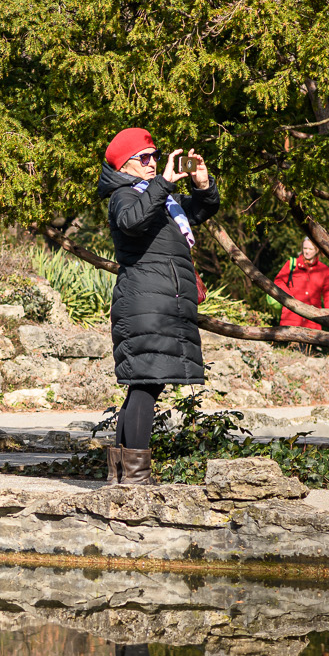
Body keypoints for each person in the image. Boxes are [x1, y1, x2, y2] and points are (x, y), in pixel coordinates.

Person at [97, 128, 221, 484]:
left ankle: (122, 474)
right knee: (146, 383)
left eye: (155, 156)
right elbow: (132, 221)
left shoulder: (161, 200)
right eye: (144, 158)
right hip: (145, 303)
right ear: (125, 165)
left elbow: (201, 209)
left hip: (160, 302)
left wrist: (202, 184)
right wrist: (163, 183)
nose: (152, 163)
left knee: (144, 384)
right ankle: (135, 478)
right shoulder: (124, 196)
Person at [273, 236, 329, 329]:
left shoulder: (324, 270)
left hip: (313, 322)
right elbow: (278, 281)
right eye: (305, 248)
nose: (307, 251)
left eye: (310, 249)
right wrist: (289, 296)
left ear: (317, 250)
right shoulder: (292, 264)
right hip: (290, 319)